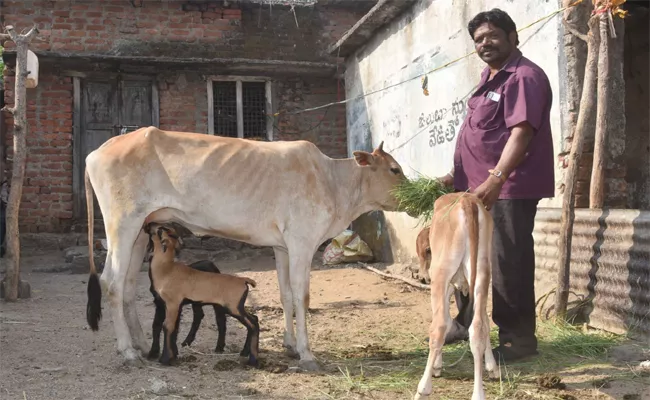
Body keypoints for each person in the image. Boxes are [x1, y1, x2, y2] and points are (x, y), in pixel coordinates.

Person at [435, 8, 555, 362]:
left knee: (507, 264)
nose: (485, 43)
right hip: (476, 189)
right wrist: (453, 176)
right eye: (478, 39)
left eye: (492, 36)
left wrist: (496, 177)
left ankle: (518, 342)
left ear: (513, 36)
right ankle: (467, 322)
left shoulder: (524, 77)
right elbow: (480, 135)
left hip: (509, 189)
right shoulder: (491, 79)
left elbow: (522, 132)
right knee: (470, 259)